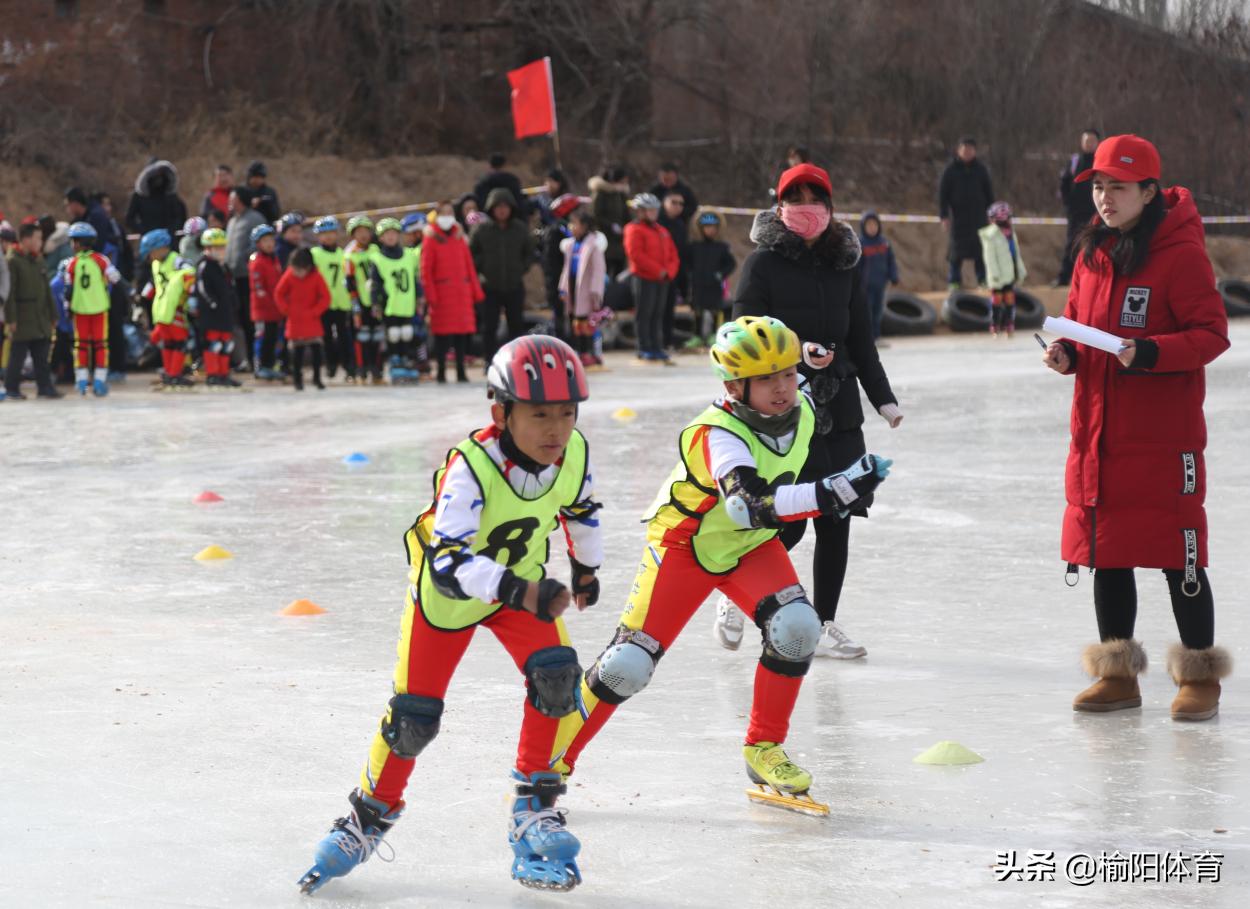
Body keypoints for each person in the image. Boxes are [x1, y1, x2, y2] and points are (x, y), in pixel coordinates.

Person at [298, 336, 602, 896]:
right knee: (413, 719)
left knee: (558, 679)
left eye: (566, 412)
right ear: (501, 413)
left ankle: (534, 804)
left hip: (521, 591)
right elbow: (448, 563)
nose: (555, 429)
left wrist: (587, 569)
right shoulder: (470, 467)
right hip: (449, 600)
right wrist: (518, 590)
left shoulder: (573, 451)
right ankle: (367, 819)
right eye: (538, 414)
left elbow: (580, 509)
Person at [550, 317, 892, 813]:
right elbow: (748, 504)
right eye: (767, 378)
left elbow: (815, 382)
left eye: (785, 373)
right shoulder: (716, 434)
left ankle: (764, 747)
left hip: (748, 547)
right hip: (686, 546)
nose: (782, 388)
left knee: (798, 627)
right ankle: (551, 759)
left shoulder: (801, 399)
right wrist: (834, 489)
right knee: (627, 665)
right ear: (734, 386)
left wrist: (815, 362)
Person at [1040, 134, 1232, 721]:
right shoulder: (1092, 253)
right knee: (1108, 551)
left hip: (1163, 440)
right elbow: (1076, 324)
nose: (1104, 198)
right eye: (1097, 187)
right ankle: (1117, 674)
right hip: (1099, 436)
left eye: (1117, 187)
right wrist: (1066, 354)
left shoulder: (1181, 255)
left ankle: (1199, 675)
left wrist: (1148, 352)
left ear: (1149, 192)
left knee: (1180, 554)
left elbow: (1211, 335)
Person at [721, 162, 903, 659]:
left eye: (815, 199)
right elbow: (742, 335)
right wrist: (795, 354)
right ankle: (744, 593)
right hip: (783, 407)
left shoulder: (846, 262)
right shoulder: (762, 265)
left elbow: (861, 337)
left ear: (829, 207)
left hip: (839, 409)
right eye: (795, 199)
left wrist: (882, 398)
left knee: (838, 517)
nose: (806, 209)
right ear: (779, 207)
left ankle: (824, 623)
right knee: (791, 520)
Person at [469, 188, 535, 368]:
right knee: (489, 327)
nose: (502, 210)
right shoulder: (481, 229)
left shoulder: (520, 229)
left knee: (516, 325)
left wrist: (522, 267)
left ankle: (517, 361)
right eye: (498, 207)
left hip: (514, 284)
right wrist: (481, 266)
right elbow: (471, 253)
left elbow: (530, 252)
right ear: (491, 208)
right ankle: (489, 361)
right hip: (489, 286)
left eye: (505, 206)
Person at [421, 200, 483, 384]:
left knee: (461, 336)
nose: (447, 217)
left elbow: (469, 266)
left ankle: (461, 371)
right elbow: (426, 270)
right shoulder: (431, 239)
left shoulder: (459, 237)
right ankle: (440, 371)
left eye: (450, 213)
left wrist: (475, 291)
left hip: (461, 293)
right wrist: (430, 296)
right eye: (444, 213)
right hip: (442, 294)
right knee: (442, 336)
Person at [3, 223, 61, 399]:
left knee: (42, 355)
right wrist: (11, 319)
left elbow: (47, 290)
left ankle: (45, 387)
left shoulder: (38, 260)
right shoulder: (13, 261)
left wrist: (53, 314)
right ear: (26, 239)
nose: (40, 242)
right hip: (22, 316)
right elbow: (10, 293)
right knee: (17, 355)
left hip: (40, 315)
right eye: (37, 238)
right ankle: (12, 388)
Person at [64, 222, 121, 396]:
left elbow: (68, 291)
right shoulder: (101, 260)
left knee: (80, 346)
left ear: (77, 243)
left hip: (79, 310)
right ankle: (99, 381)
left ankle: (81, 382)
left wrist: (68, 310)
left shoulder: (71, 263)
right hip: (99, 309)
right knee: (101, 345)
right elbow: (115, 278)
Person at [623, 192, 679, 364]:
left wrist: (669, 271)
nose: (654, 213)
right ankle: (644, 347)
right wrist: (658, 270)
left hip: (662, 279)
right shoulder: (633, 229)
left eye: (655, 210)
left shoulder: (662, 231)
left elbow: (673, 254)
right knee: (644, 313)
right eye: (649, 210)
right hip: (644, 278)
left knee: (658, 313)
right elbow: (636, 255)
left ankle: (657, 346)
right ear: (640, 211)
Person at [369, 217, 424, 383]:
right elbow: (375, 284)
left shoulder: (408, 255)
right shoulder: (378, 258)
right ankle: (395, 361)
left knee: (407, 333)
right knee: (393, 334)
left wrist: (420, 297)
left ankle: (407, 360)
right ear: (381, 238)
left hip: (406, 302)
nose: (391, 237)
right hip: (389, 303)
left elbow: (414, 279)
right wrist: (375, 303)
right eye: (387, 234)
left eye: (394, 233)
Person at [141, 229, 196, 389]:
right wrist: (141, 298)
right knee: (176, 343)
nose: (150, 258)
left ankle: (171, 372)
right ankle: (173, 374)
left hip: (170, 308)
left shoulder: (175, 260)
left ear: (161, 248)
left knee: (171, 342)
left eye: (151, 253)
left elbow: (189, 271)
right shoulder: (157, 264)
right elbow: (155, 283)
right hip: (166, 309)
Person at [938, 137, 994, 289]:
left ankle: (983, 279)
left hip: (979, 217)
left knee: (981, 251)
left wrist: (992, 214)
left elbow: (989, 193)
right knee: (956, 252)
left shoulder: (981, 170)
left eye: (970, 149)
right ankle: (954, 281)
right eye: (964, 149)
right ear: (959, 150)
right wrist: (943, 216)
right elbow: (942, 195)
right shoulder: (950, 170)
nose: (967, 152)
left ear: (975, 152)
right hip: (958, 217)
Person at [275, 248, 331, 391]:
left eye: (300, 270)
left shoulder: (316, 276)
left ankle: (317, 378)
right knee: (297, 354)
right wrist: (286, 310)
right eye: (295, 269)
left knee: (317, 352)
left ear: (308, 267)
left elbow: (325, 297)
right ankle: (297, 380)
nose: (297, 273)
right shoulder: (289, 276)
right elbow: (278, 294)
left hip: (312, 320)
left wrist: (315, 311)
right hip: (295, 321)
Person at [558, 210, 607, 367]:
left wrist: (595, 291)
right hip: (574, 287)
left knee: (588, 323)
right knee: (575, 322)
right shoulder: (571, 245)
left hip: (587, 291)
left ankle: (590, 353)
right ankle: (579, 351)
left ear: (585, 226)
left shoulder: (593, 245)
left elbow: (599, 270)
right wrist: (563, 288)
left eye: (575, 224)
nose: (571, 227)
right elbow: (566, 269)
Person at [194, 228, 241, 388]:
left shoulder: (223, 266)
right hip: (211, 314)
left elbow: (231, 286)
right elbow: (202, 288)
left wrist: (234, 302)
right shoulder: (204, 266)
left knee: (226, 344)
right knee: (214, 343)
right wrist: (212, 303)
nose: (221, 251)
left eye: (223, 247)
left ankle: (223, 373)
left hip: (225, 313)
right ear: (207, 249)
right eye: (217, 248)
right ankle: (213, 374)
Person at [310, 216, 355, 383]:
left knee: (345, 336)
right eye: (324, 234)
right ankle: (330, 365)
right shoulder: (315, 254)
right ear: (318, 236)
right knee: (326, 336)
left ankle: (349, 366)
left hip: (342, 301)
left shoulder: (343, 254)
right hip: (323, 303)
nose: (328, 237)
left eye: (331, 233)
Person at [225, 188, 264, 370]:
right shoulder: (232, 221)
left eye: (232, 199)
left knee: (252, 320)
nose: (230, 202)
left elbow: (259, 244)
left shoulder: (254, 219)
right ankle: (245, 359)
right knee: (239, 320)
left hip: (248, 276)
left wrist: (244, 258)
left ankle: (256, 359)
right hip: (233, 277)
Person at [687, 210, 737, 347]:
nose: (710, 230)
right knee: (698, 311)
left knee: (716, 310)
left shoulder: (722, 247)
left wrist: (721, 274)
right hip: (698, 285)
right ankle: (697, 336)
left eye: (713, 227)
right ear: (701, 228)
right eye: (707, 227)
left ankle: (714, 334)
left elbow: (731, 264)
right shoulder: (694, 246)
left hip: (714, 285)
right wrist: (690, 275)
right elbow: (686, 263)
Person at [1057, 129, 1101, 286]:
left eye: (1092, 141)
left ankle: (1096, 278)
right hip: (1075, 211)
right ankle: (1063, 278)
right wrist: (1067, 203)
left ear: (1097, 143)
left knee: (1097, 244)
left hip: (1096, 211)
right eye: (1086, 141)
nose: (1089, 144)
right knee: (1072, 243)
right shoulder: (1075, 160)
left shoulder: (1101, 161)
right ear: (1082, 143)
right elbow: (1064, 183)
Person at [979, 201, 1027, 338]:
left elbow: (1016, 254)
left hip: (1009, 274)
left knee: (1010, 300)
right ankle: (995, 325)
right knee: (997, 300)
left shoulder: (1011, 233)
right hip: (997, 276)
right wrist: (994, 274)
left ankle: (1009, 325)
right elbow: (989, 257)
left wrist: (1020, 270)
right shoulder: (990, 235)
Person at [345, 216, 383, 385]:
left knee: (378, 336)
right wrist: (355, 306)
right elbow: (350, 283)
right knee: (362, 337)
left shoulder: (376, 249)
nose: (363, 235)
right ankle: (361, 369)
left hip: (376, 300)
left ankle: (377, 370)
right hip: (360, 301)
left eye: (366, 231)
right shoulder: (350, 254)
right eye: (358, 232)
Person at [540, 193, 582, 338]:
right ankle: (563, 345)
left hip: (575, 280)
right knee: (560, 315)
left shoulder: (574, 231)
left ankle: (577, 346)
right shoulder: (556, 231)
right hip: (559, 282)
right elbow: (550, 263)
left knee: (576, 315)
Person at [247, 224, 284, 381]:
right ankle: (260, 366)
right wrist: (271, 302)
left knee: (272, 338)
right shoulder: (257, 261)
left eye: (271, 240)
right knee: (263, 338)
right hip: (262, 309)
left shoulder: (274, 260)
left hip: (275, 309)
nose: (269, 244)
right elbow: (258, 288)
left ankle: (270, 365)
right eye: (265, 241)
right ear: (258, 244)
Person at [857, 211, 899, 342]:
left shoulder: (884, 243)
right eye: (869, 225)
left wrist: (894, 276)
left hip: (881, 285)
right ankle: (867, 337)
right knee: (867, 312)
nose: (872, 228)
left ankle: (877, 336)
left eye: (874, 225)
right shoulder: (861, 243)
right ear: (864, 226)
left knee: (878, 311)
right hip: (866, 287)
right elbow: (857, 266)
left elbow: (891, 261)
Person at [124, 159, 188, 238]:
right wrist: (144, 231)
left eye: (160, 174)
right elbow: (129, 219)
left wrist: (171, 231)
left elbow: (179, 216)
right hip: (149, 240)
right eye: (155, 174)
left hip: (168, 239)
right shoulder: (139, 196)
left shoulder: (169, 194)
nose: (158, 179)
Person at [589, 165, 630, 278]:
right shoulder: (600, 194)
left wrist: (626, 227)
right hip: (604, 240)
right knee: (604, 273)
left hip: (620, 242)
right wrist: (611, 226)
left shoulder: (621, 195)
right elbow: (595, 215)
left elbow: (627, 215)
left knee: (618, 273)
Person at [473, 152, 529, 219]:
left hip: (488, 220)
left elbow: (478, 203)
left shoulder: (482, 181)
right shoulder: (512, 180)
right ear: (504, 165)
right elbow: (519, 202)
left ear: (489, 165)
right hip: (511, 221)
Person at [648, 162, 698, 230]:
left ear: (676, 176)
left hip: (680, 224)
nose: (667, 182)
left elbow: (693, 207)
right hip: (658, 225)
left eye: (670, 179)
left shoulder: (685, 190)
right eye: (664, 179)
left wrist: (679, 211)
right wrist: (664, 212)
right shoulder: (655, 190)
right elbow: (648, 208)